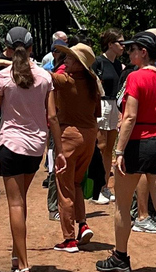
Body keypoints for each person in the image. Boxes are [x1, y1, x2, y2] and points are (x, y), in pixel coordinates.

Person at [96, 31, 156, 272]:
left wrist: (119, 152)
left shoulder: (135, 78)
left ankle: (120, 257)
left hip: (137, 144)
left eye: (132, 49)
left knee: (122, 204)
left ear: (144, 53)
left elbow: (129, 117)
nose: (129, 53)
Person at [0, 27, 67, 272]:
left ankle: (24, 264)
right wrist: (58, 151)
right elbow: (53, 117)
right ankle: (17, 257)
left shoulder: (2, 77)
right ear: (31, 49)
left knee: (15, 204)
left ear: (7, 49)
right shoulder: (44, 77)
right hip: (36, 147)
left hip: (10, 145)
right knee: (22, 201)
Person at [51, 43, 102, 253]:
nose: (65, 61)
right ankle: (83, 224)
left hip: (69, 136)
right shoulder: (93, 84)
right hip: (89, 136)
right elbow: (97, 113)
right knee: (76, 183)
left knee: (64, 189)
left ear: (79, 64)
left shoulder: (64, 80)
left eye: (70, 59)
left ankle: (69, 238)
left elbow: (35, 73)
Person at [92, 28, 124, 205]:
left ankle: (104, 186)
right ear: (110, 44)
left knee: (109, 147)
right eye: (120, 43)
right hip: (102, 104)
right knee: (100, 145)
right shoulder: (98, 62)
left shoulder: (119, 65)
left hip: (114, 105)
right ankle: (95, 186)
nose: (123, 46)